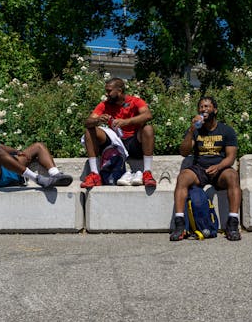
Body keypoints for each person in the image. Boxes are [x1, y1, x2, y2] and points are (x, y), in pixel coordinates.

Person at [169, 96, 242, 241]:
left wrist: (218, 166)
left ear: (215, 109)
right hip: (199, 169)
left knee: (233, 176)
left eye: (207, 106)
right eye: (201, 107)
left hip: (220, 170)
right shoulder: (195, 129)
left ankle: (233, 223)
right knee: (183, 177)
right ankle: (180, 224)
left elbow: (231, 157)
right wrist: (190, 131)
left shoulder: (226, 130)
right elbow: (183, 152)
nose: (204, 109)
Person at [80, 77, 156, 188]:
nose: (107, 94)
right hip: (115, 144)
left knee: (148, 129)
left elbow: (148, 115)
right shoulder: (104, 105)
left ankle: (147, 173)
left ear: (119, 91)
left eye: (109, 91)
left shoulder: (135, 101)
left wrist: (126, 122)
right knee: (90, 130)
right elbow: (88, 122)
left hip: (133, 142)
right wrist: (98, 120)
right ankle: (94, 175)